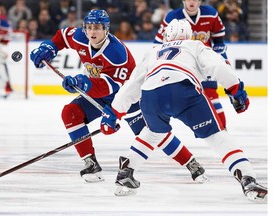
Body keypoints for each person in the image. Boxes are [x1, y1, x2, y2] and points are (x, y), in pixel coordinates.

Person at [30, 9, 208, 184]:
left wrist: (83, 83)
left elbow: (111, 88)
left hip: (127, 97)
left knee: (152, 132)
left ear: (106, 29)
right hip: (98, 90)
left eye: (97, 27)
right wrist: (49, 48)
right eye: (89, 27)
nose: (92, 31)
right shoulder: (79, 36)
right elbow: (62, 36)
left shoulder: (117, 53)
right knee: (71, 112)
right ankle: (91, 164)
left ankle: (190, 163)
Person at [100, 19, 267, 202]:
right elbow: (218, 67)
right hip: (182, 90)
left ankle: (126, 171)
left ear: (166, 36)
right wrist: (236, 90)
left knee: (153, 132)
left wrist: (113, 113)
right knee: (216, 136)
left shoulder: (153, 52)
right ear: (189, 34)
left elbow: (131, 86)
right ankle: (247, 178)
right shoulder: (194, 45)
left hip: (150, 96)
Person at [154, 0, 228, 128]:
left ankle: (222, 131)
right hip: (182, 66)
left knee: (212, 98)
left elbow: (219, 41)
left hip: (204, 63)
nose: (191, 1)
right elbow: (158, 44)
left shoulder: (210, 14)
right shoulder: (172, 17)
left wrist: (221, 60)